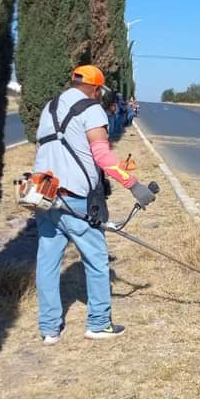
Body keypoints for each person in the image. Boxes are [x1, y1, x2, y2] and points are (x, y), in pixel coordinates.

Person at [32, 65, 156, 345]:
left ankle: (49, 329)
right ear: (96, 89)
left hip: (43, 190)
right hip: (73, 193)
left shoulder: (50, 107)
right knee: (97, 259)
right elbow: (101, 154)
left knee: (48, 261)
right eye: (99, 91)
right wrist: (134, 185)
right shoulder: (91, 109)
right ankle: (99, 323)